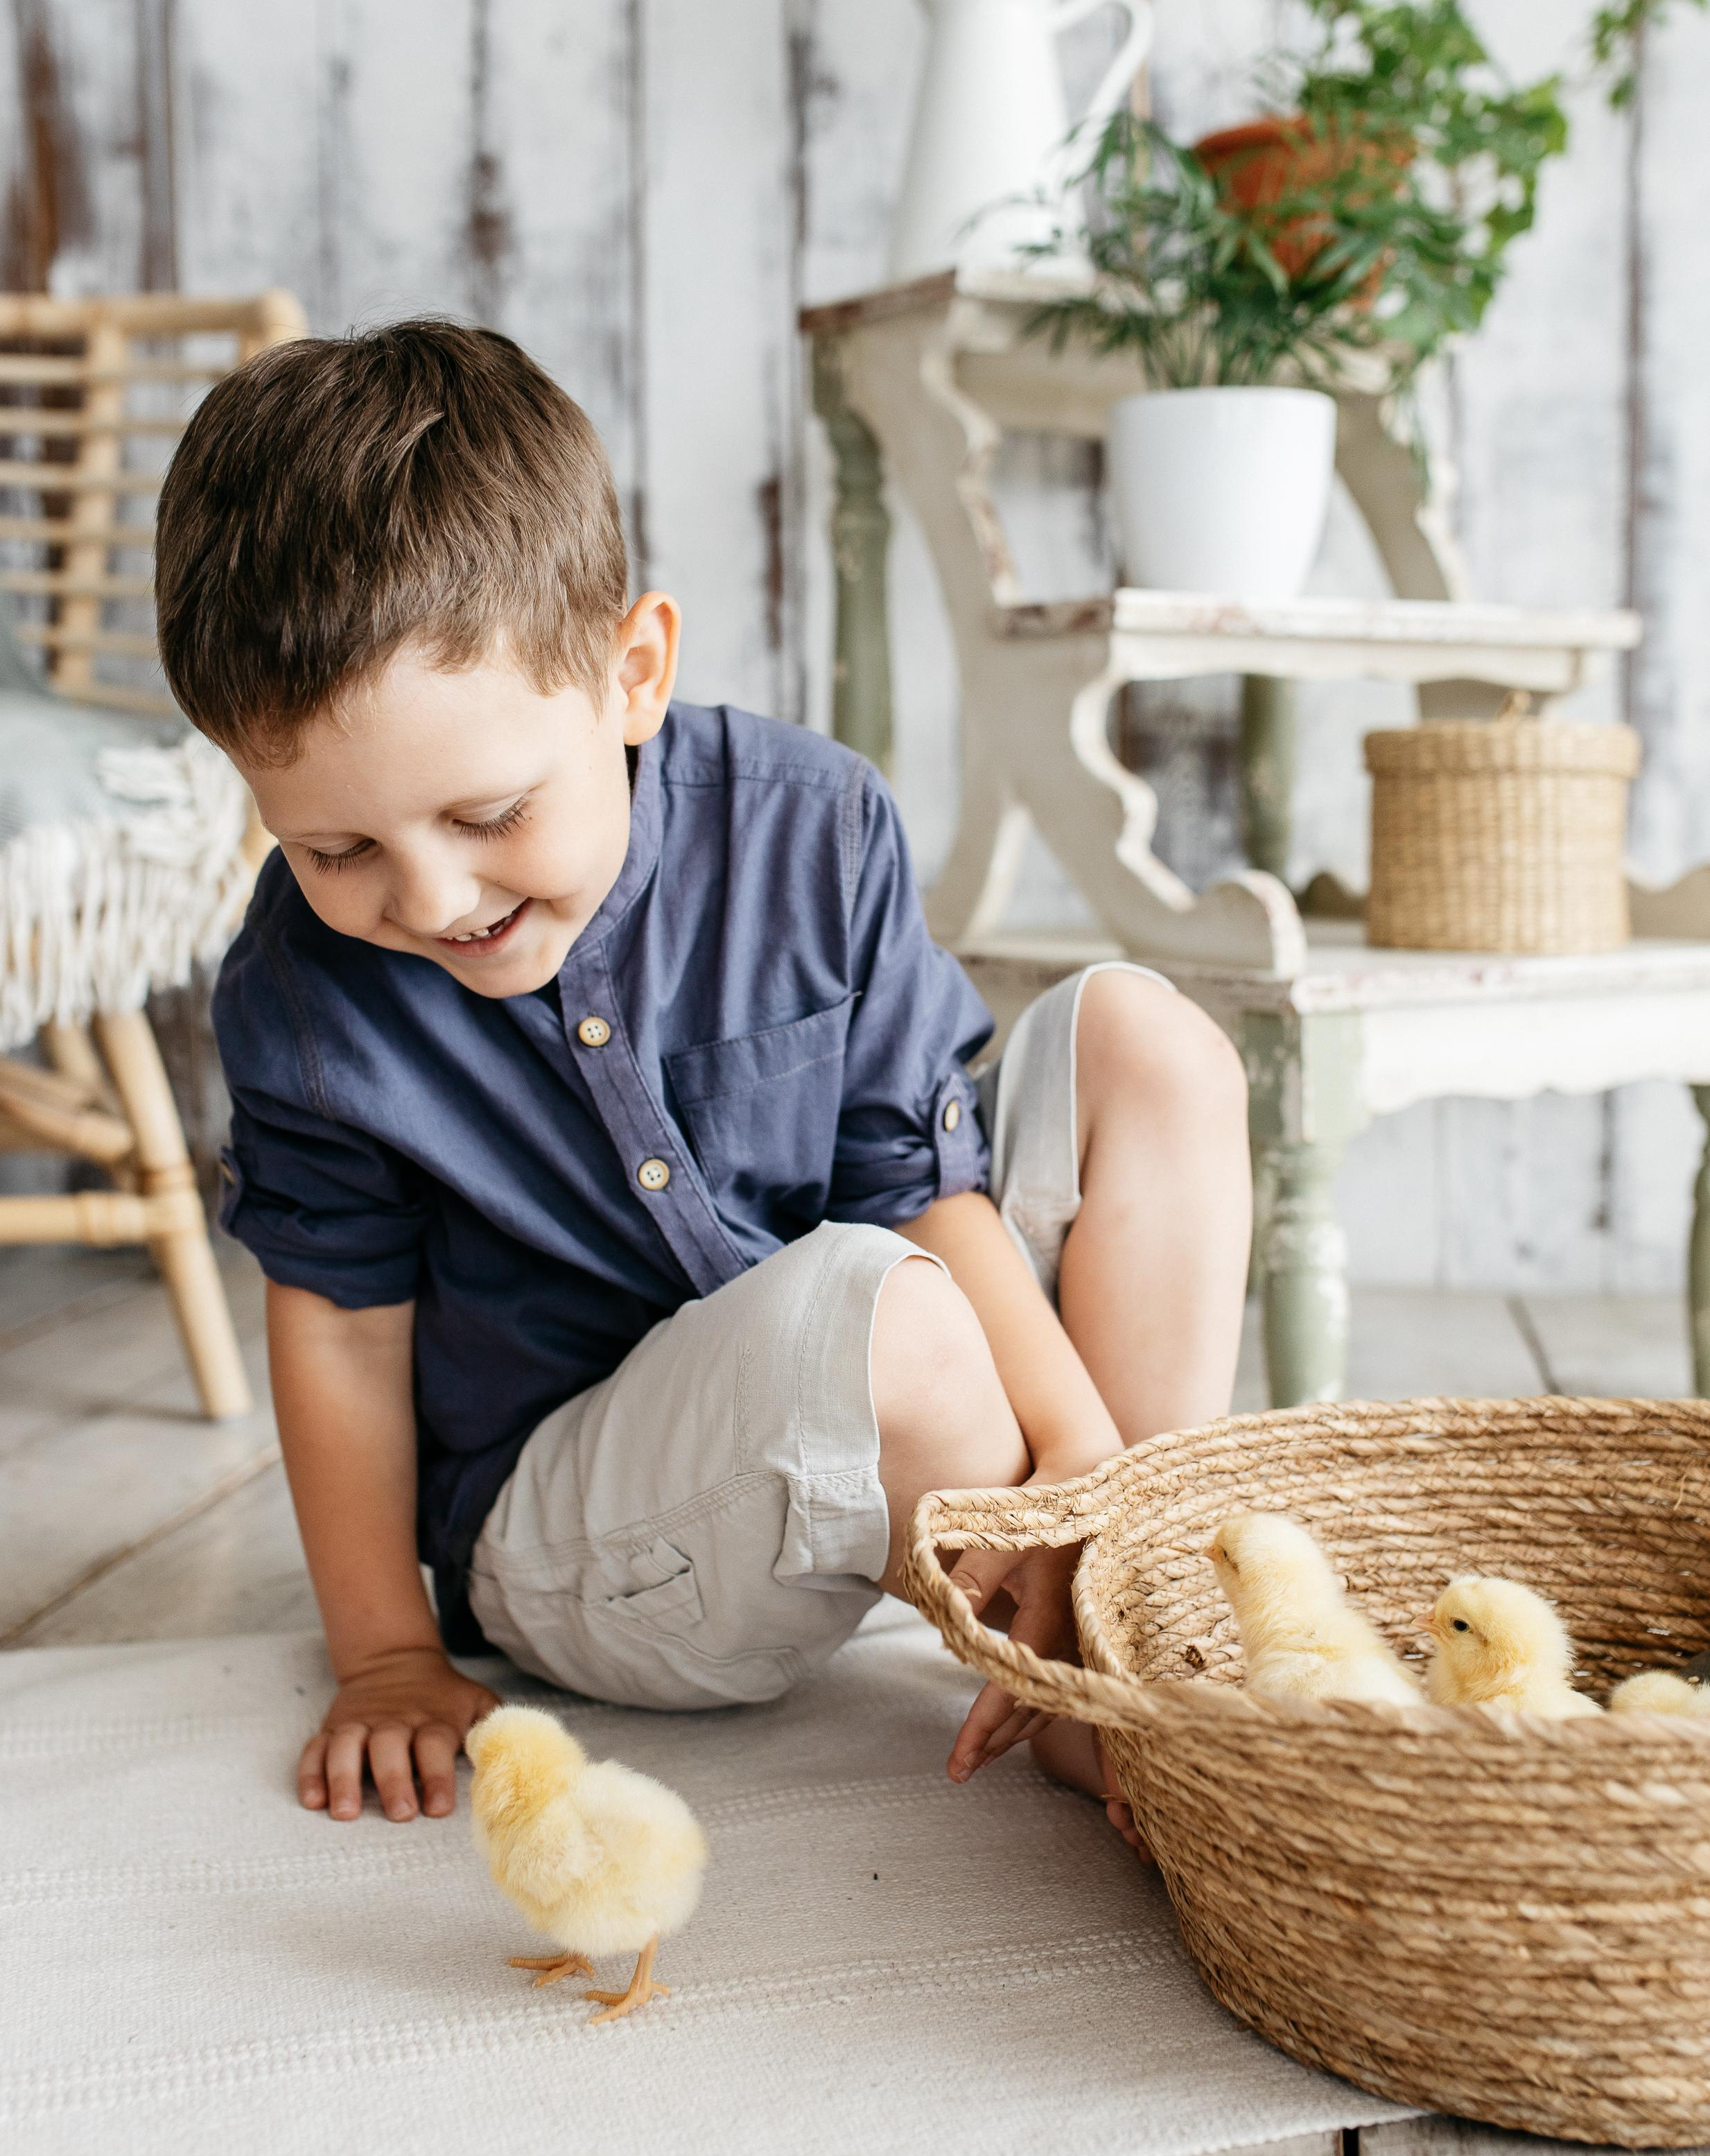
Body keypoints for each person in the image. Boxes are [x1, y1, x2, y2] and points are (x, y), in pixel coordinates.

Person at [154, 320, 1251, 1845]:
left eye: (488, 810)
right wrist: (387, 1651)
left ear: (630, 672)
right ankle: (1079, 1678)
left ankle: (1116, 1587)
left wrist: (1078, 1457)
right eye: (333, 848)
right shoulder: (302, 995)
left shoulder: (814, 830)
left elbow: (918, 1184)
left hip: (870, 1394)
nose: (429, 895)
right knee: (888, 1316)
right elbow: (339, 1330)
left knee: (1150, 1040)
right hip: (585, 1531)